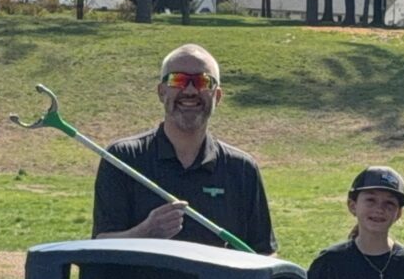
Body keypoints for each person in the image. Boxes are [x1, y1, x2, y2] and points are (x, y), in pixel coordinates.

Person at [92, 43, 275, 254]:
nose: (189, 90)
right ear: (161, 92)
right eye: (177, 80)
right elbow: (100, 247)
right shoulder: (123, 159)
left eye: (202, 81)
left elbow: (264, 255)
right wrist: (146, 232)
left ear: (217, 96)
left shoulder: (242, 169)